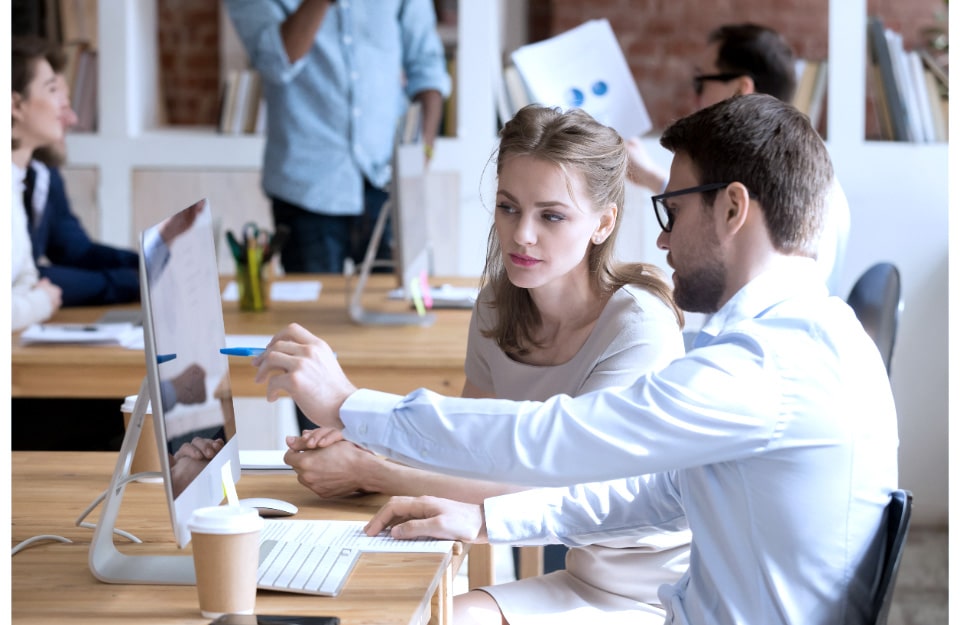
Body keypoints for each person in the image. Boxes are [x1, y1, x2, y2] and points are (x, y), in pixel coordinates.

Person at [252, 95, 899, 624]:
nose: (664, 237)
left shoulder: (766, 366)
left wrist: (350, 405)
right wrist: (485, 517)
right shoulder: (808, 336)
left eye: (671, 209)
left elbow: (555, 437)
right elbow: (662, 493)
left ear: (731, 208)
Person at [283, 105, 689, 624]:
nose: (521, 235)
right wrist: (366, 443)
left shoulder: (638, 325)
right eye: (508, 207)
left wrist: (373, 468)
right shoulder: (498, 306)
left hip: (659, 597)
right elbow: (469, 453)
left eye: (552, 215)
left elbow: (565, 488)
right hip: (579, 577)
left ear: (603, 221)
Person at [224, 0, 452, 274]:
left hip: (386, 180)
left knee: (394, 308)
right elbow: (274, 63)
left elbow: (426, 64)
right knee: (312, 314)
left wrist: (423, 151)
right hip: (307, 191)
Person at [626, 23, 850, 295]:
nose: (695, 98)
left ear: (742, 88)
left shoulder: (778, 184)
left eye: (702, 82)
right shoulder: (808, 172)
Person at [23, 40, 141, 307]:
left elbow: (74, 250)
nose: (72, 119)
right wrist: (129, 282)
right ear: (16, 106)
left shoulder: (44, 172)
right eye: (60, 104)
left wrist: (146, 264)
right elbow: (22, 281)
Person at [12, 36, 64, 331]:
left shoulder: (15, 182)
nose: (63, 104)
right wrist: (40, 302)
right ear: (15, 105)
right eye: (52, 89)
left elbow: (27, 278)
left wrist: (26, 301)